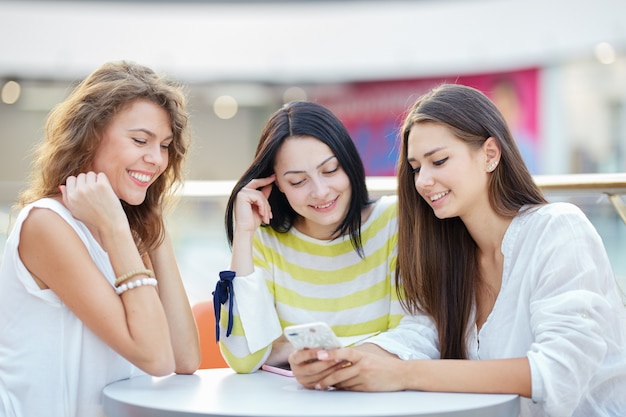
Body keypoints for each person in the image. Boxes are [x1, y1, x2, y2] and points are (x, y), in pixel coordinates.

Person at [288, 84, 626, 417]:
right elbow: (420, 334)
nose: (422, 181)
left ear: (490, 154)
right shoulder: (450, 252)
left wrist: (406, 374)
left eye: (439, 160)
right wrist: (338, 363)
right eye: (417, 168)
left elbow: (557, 372)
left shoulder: (558, 229)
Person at [0, 61, 201, 417]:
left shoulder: (128, 228)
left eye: (165, 145)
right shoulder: (47, 224)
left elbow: (183, 358)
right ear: (91, 134)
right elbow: (155, 357)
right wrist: (116, 229)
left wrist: (152, 225)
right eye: (140, 140)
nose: (156, 160)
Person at [217, 100, 403, 374]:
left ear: (349, 163)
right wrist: (244, 234)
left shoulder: (394, 221)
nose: (320, 191)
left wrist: (285, 349)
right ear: (276, 183)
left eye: (330, 170)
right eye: (297, 181)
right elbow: (244, 358)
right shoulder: (266, 240)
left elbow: (411, 339)